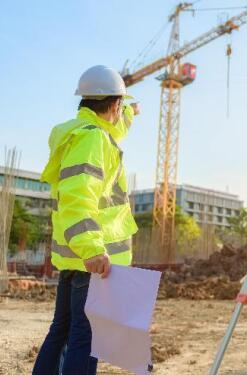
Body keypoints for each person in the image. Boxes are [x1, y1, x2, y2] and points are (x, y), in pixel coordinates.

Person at [33, 65, 140, 375]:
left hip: (75, 259)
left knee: (62, 330)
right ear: (114, 105)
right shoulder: (93, 141)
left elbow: (113, 128)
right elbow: (79, 197)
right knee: (85, 337)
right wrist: (92, 247)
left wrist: (130, 113)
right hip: (92, 259)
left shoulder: (82, 133)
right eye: (122, 107)